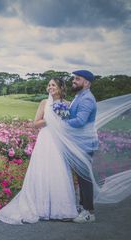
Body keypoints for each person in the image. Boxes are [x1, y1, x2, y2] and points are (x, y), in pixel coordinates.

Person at [0, 78, 78, 224]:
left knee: (59, 171)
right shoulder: (44, 103)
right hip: (46, 139)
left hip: (59, 140)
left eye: (54, 85)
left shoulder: (68, 104)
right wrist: (50, 118)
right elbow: (35, 124)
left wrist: (62, 117)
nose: (50, 87)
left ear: (60, 88)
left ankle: (61, 209)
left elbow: (70, 124)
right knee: (43, 169)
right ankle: (41, 207)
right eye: (49, 85)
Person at [66, 70, 97, 223]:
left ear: (87, 83)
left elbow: (80, 121)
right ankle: (83, 206)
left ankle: (89, 213)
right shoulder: (79, 96)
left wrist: (61, 123)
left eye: (77, 79)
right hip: (79, 143)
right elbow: (72, 113)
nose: (74, 81)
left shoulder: (87, 99)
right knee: (81, 176)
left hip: (84, 144)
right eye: (74, 78)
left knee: (84, 178)